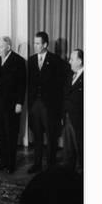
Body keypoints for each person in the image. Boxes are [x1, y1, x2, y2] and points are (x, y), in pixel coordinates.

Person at [27, 31, 65, 173]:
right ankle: (37, 164)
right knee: (37, 136)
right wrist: (30, 104)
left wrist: (58, 109)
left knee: (51, 136)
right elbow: (30, 84)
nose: (35, 46)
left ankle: (50, 165)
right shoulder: (31, 61)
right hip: (35, 105)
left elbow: (60, 87)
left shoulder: (56, 61)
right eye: (34, 43)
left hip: (49, 106)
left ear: (45, 44)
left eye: (37, 43)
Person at [0, 36, 26, 173]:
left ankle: (11, 164)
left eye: (1, 47)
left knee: (11, 134)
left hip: (12, 105)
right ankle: (3, 162)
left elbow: (22, 85)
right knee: (1, 134)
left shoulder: (19, 61)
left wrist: (19, 103)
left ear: (8, 47)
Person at [63, 49, 84, 172]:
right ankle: (70, 174)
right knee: (69, 148)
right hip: (67, 117)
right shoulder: (71, 76)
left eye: (71, 59)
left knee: (80, 147)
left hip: (79, 119)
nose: (69, 61)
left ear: (79, 61)